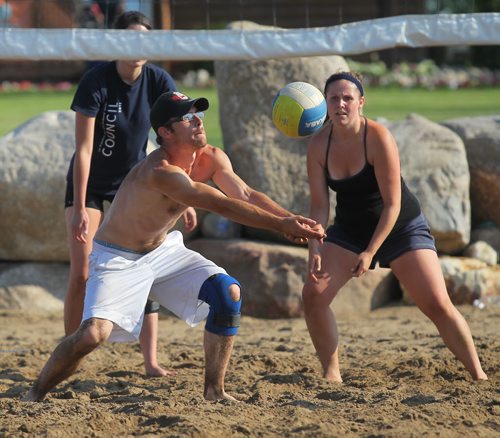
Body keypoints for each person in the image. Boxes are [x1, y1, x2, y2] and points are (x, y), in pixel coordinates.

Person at [25, 91, 325, 402]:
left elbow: (245, 195)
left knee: (227, 292)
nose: (198, 120)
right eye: (187, 117)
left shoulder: (211, 157)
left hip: (163, 251)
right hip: (118, 258)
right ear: (165, 133)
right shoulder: (161, 171)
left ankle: (214, 391)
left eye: (199, 114)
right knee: (90, 336)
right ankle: (35, 393)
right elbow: (222, 205)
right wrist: (280, 226)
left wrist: (291, 219)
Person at [302, 71, 488, 382]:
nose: (341, 104)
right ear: (325, 105)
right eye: (333, 98)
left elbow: (393, 204)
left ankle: (478, 374)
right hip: (350, 230)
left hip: (401, 227)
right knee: (313, 295)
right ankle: (331, 373)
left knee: (437, 304)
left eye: (348, 98)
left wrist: (371, 251)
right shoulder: (319, 144)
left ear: (361, 102)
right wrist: (314, 244)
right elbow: (320, 206)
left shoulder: (378, 137)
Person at [64, 10, 190, 377]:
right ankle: (70, 353)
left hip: (134, 184)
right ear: (115, 42)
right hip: (90, 184)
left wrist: (186, 195)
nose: (138, 47)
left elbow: (181, 140)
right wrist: (78, 207)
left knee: (143, 266)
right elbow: (84, 150)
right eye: (130, 38)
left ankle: (150, 361)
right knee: (82, 273)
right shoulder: (96, 81)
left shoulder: (158, 80)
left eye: (144, 40)